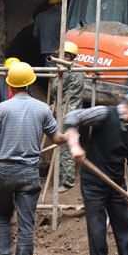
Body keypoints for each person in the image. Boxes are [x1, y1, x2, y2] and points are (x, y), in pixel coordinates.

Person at [0, 62, 66, 255]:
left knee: (4, 216)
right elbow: (56, 139)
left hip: (4, 172)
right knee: (26, 223)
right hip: (29, 172)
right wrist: (70, 135)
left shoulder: (1, 109)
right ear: (30, 84)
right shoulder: (42, 109)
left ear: (10, 85)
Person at [63, 83, 128, 255]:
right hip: (93, 185)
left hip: (116, 184)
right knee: (97, 233)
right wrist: (75, 145)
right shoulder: (105, 114)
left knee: (126, 229)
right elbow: (72, 116)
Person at [50, 42, 83, 192]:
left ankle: (68, 181)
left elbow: (56, 87)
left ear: (69, 57)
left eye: (63, 55)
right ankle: (65, 178)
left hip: (67, 111)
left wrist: (58, 75)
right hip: (72, 109)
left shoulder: (69, 72)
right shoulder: (77, 69)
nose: (59, 58)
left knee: (64, 147)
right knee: (66, 145)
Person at [33, 0, 62, 67]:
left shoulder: (40, 16)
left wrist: (44, 40)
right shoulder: (62, 16)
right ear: (57, 5)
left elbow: (35, 34)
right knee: (61, 70)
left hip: (46, 50)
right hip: (59, 50)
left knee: (50, 71)